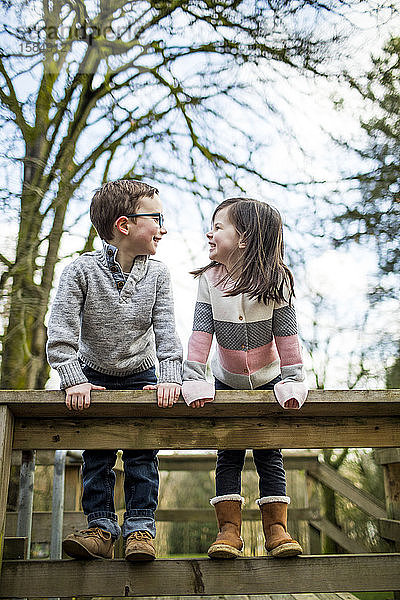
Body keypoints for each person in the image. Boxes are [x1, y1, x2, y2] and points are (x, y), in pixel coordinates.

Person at [47, 179, 182, 561]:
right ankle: (101, 528)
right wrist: (73, 379)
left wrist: (170, 376)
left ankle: (140, 529)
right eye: (157, 218)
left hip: (142, 373)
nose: (164, 227)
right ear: (124, 225)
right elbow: (61, 331)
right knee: (98, 453)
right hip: (92, 375)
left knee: (142, 452)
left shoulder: (158, 274)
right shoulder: (80, 271)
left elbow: (167, 331)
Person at [182, 197, 308, 559]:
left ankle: (276, 529)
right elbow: (201, 333)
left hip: (269, 382)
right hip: (225, 381)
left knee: (270, 451)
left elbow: (287, 336)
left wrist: (293, 380)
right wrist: (193, 378)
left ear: (245, 238)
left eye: (218, 226)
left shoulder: (277, 281)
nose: (210, 232)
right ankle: (229, 530)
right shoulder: (209, 280)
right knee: (229, 452)